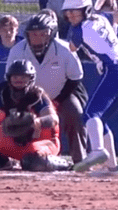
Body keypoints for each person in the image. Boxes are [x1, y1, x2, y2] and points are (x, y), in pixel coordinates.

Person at [61, 0, 118, 176]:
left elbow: (71, 48)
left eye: (75, 12)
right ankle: (112, 168)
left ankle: (97, 151)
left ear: (85, 10)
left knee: (89, 114)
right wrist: (106, 15)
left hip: (114, 71)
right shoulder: (101, 18)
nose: (70, 16)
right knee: (100, 120)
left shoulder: (78, 31)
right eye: (68, 13)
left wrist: (94, 18)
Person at [7, 10, 87, 164]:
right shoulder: (17, 50)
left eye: (43, 34)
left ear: (51, 34)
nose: (37, 38)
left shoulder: (65, 49)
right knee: (14, 117)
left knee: (74, 112)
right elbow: (10, 80)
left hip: (63, 93)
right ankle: (13, 156)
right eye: (33, 34)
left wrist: (58, 100)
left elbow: (75, 78)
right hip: (29, 96)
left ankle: (80, 159)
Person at [0, 60, 68, 172]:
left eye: (23, 77)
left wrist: (37, 122)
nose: (19, 80)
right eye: (15, 77)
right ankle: (1, 162)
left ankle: (61, 163)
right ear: (9, 78)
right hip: (16, 141)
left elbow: (54, 119)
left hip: (42, 140)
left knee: (32, 162)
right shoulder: (6, 95)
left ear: (31, 79)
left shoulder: (37, 96)